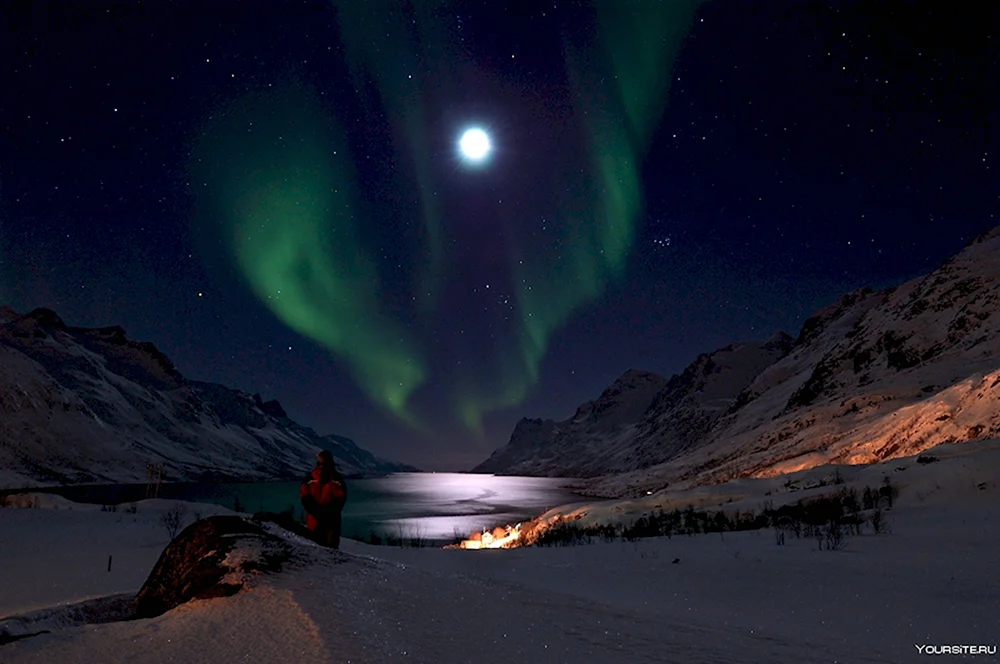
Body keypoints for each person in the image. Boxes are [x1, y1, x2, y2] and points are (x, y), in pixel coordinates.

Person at [299, 450, 347, 548]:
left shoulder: (309, 479)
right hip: (332, 523)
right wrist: (327, 513)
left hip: (313, 522)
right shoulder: (337, 480)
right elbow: (340, 500)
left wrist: (317, 513)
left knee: (314, 551)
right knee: (331, 554)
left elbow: (305, 498)